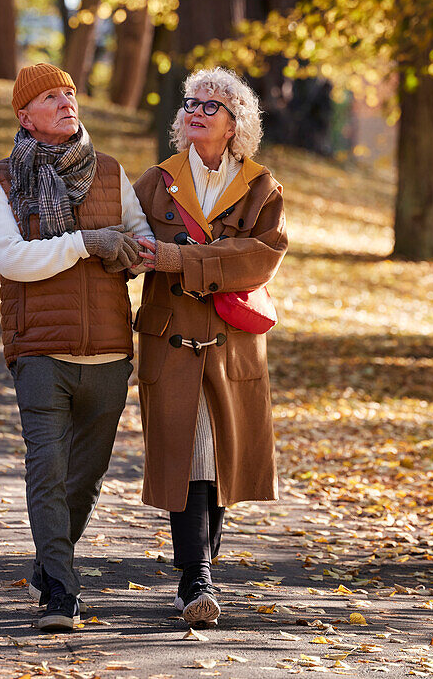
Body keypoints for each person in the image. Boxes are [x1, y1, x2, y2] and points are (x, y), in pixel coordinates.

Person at [0, 63, 150, 631]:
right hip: (40, 352)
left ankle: (48, 564)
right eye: (50, 97)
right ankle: (61, 591)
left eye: (69, 93)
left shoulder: (109, 172)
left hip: (107, 350)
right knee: (47, 468)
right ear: (24, 116)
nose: (65, 102)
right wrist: (84, 243)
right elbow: (12, 259)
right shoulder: (1, 180)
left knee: (85, 478)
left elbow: (142, 236)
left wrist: (125, 247)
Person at [134, 68, 287, 627]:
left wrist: (182, 260)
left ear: (235, 124)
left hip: (231, 342)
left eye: (212, 105)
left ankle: (198, 573)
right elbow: (132, 246)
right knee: (186, 456)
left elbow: (261, 258)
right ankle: (195, 577)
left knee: (218, 457)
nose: (196, 110)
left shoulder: (262, 186)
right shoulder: (155, 181)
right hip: (171, 339)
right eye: (191, 103)